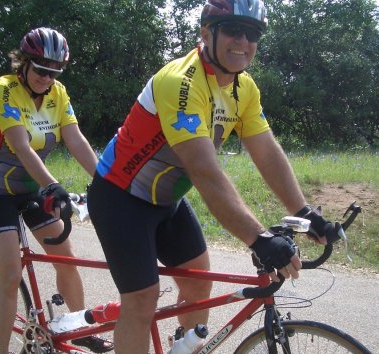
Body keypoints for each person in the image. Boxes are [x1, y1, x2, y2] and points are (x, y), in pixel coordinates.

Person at [87, 1, 335, 353]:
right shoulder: (181, 82)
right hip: (120, 195)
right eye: (234, 30)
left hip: (166, 198)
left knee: (197, 285)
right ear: (207, 33)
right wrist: (259, 238)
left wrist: (306, 212)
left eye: (252, 34)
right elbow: (204, 171)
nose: (243, 41)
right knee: (142, 299)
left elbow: (266, 152)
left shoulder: (243, 88)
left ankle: (181, 348)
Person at [0, 27, 113, 354]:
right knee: (9, 276)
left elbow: (75, 139)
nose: (47, 78)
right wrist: (53, 185)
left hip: (30, 190)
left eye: (54, 71)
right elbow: (21, 146)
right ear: (23, 62)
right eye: (41, 70)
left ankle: (79, 330)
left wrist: (106, 182)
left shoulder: (58, 93)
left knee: (67, 260)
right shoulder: (3, 89)